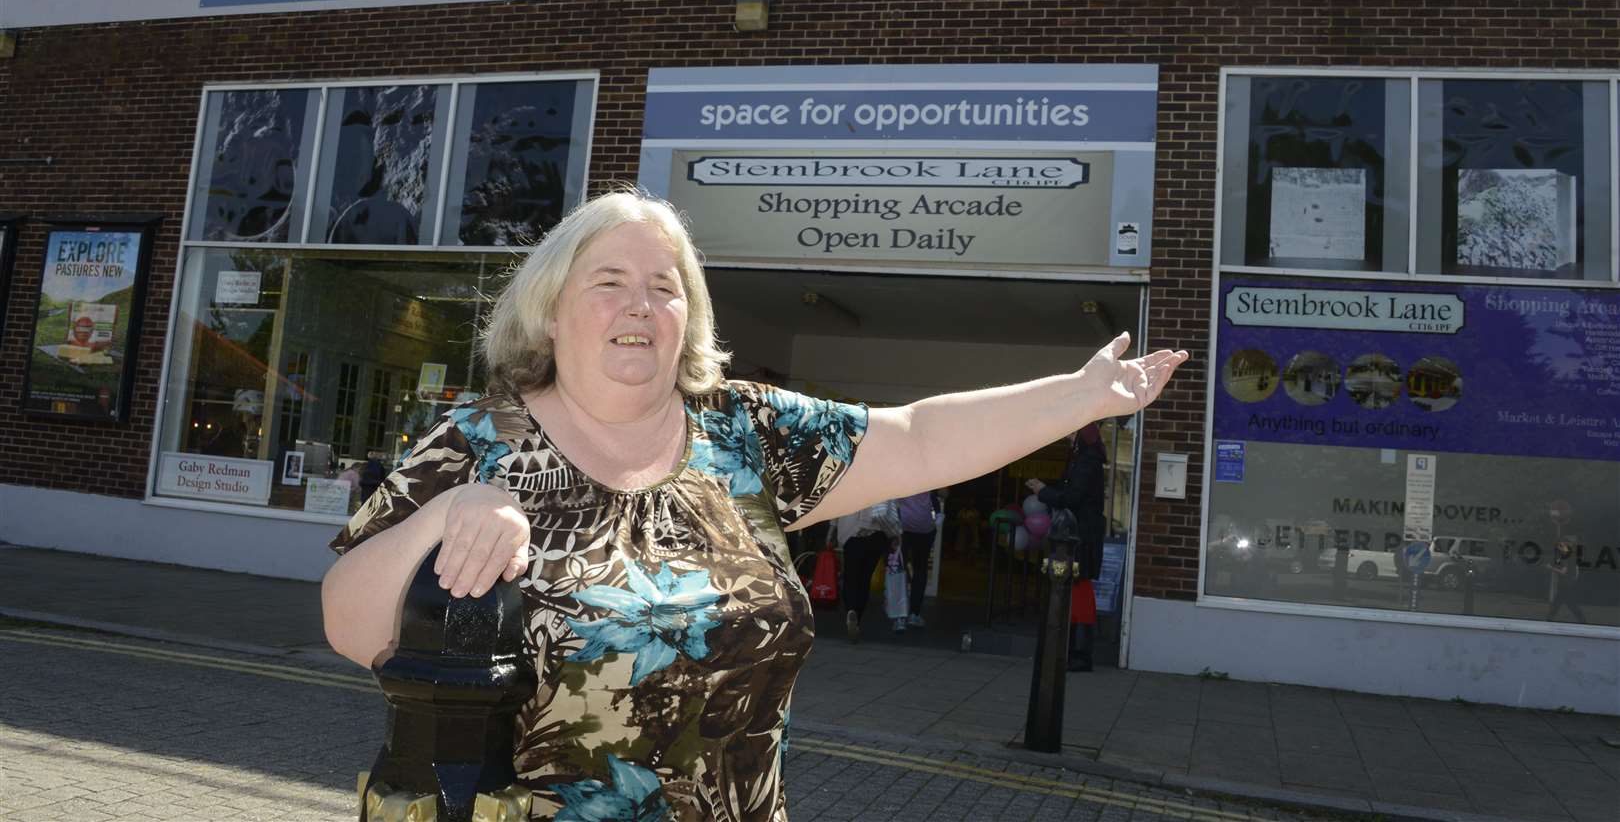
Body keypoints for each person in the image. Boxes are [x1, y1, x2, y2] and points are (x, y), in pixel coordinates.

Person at [320, 189, 1188, 821]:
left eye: (665, 287)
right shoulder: (484, 439)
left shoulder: (742, 430)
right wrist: (447, 515)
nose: (639, 305)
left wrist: (1079, 397)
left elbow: (919, 435)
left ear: (686, 317)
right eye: (608, 282)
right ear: (550, 313)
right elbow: (350, 624)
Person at [1026, 422, 1109, 671]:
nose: (1067, 437)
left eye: (1072, 433)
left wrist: (1043, 492)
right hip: (1083, 536)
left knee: (1079, 589)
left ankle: (1079, 655)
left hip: (1080, 537)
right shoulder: (1087, 461)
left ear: (1082, 437)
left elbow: (1072, 498)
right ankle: (1073, 652)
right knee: (1077, 590)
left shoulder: (1085, 463)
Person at [833, 497, 901, 642]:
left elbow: (836, 504)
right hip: (875, 536)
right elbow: (882, 513)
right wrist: (894, 533)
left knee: (850, 577)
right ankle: (857, 619)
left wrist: (832, 528)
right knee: (864, 579)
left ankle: (850, 609)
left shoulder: (848, 478)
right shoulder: (882, 481)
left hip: (850, 534)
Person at [896, 490, 942, 628]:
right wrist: (937, 522)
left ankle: (899, 617)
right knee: (920, 571)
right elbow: (942, 496)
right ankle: (914, 614)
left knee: (899, 571)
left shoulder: (903, 477)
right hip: (925, 529)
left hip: (904, 528)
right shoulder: (930, 477)